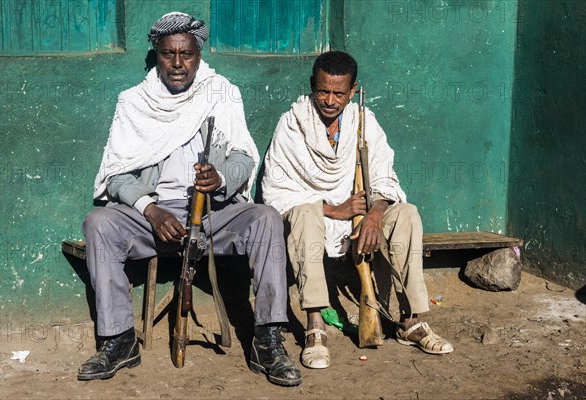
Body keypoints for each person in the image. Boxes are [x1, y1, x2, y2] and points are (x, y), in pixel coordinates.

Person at [77, 12, 302, 387]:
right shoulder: (135, 102)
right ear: (157, 54)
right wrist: (150, 210)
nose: (178, 65)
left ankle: (268, 340)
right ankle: (119, 339)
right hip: (155, 217)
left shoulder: (222, 93)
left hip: (214, 214)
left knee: (265, 218)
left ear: (198, 55)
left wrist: (220, 179)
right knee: (99, 223)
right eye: (168, 54)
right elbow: (116, 174)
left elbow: (244, 157)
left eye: (187, 55)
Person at [261, 51, 453, 369]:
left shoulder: (364, 122)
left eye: (339, 93)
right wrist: (334, 209)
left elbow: (384, 178)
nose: (330, 100)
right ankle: (315, 328)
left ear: (353, 91)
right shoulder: (292, 123)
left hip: (361, 215)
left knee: (406, 214)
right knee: (306, 215)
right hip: (317, 216)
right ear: (312, 85)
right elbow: (276, 191)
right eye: (323, 91)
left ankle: (410, 321)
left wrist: (375, 214)